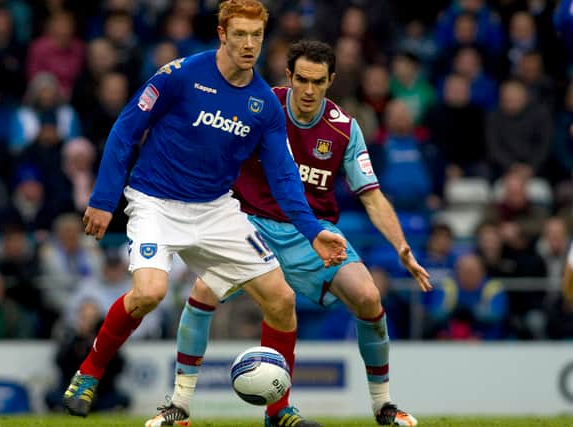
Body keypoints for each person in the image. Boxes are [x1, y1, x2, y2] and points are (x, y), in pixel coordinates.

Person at [62, 3, 347, 427]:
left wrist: (312, 231)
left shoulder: (263, 105)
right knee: (149, 293)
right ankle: (90, 372)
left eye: (257, 35)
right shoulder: (180, 75)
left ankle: (279, 411)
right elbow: (126, 129)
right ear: (222, 34)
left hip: (216, 209)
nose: (249, 44)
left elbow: (285, 178)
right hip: (155, 202)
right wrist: (105, 200)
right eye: (240, 35)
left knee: (282, 299)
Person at [148, 40, 432, 427]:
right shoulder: (260, 107)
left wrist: (401, 248)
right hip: (250, 225)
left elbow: (372, 196)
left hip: (313, 234)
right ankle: (178, 407)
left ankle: (383, 406)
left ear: (331, 80)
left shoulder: (345, 129)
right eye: (302, 80)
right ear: (289, 76)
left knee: (368, 296)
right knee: (202, 293)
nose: (309, 90)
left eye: (318, 81)